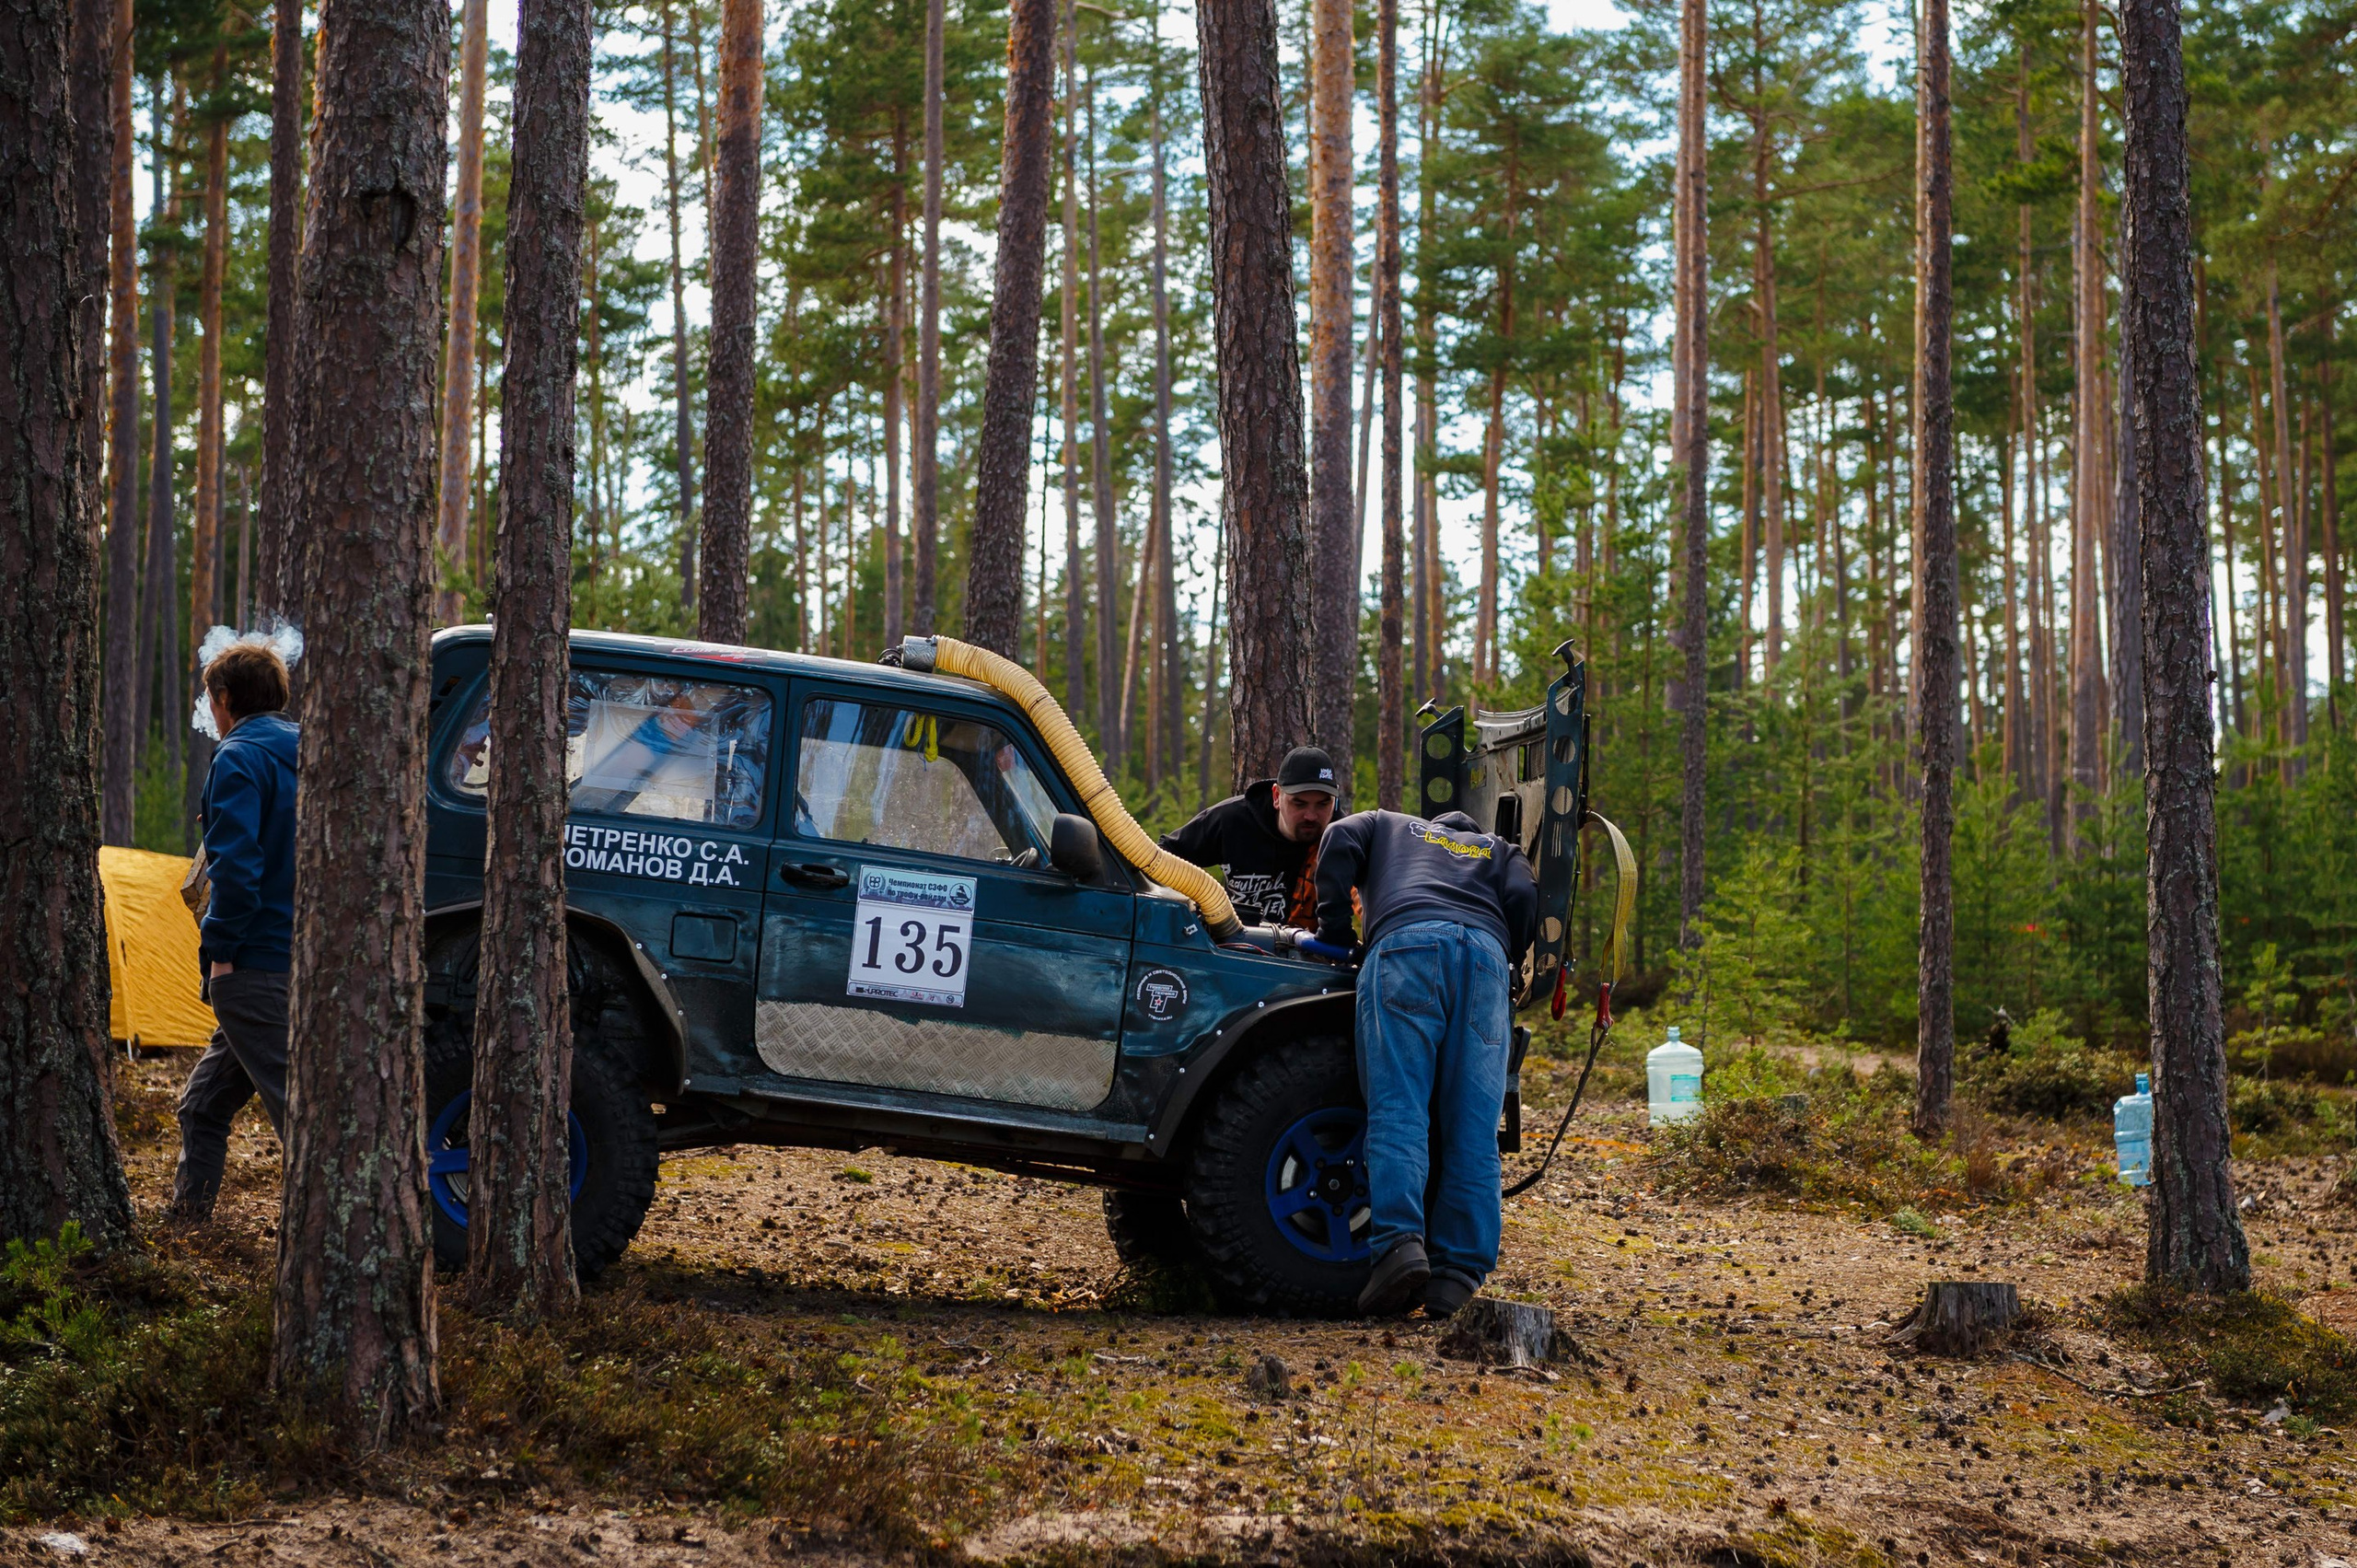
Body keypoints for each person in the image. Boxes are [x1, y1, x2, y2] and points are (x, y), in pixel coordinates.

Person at [1312, 807, 1537, 1318]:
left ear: (1432, 829)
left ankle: (1398, 1247)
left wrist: (1335, 929)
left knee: (1399, 1108)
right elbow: (1524, 896)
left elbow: (1337, 837)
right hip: (1484, 958)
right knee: (1475, 1128)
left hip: (1406, 944)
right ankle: (1457, 1274)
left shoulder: (1387, 824)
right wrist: (1511, 956)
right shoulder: (1499, 849)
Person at [167, 641, 300, 1222]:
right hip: (297, 956)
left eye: (208, 697)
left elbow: (238, 870)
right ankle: (188, 1229)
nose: (208, 709)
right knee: (203, 1106)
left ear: (225, 698)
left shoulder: (238, 757)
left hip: (254, 963)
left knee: (301, 1120)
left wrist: (221, 953)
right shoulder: (307, 748)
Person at [1158, 746, 1340, 928]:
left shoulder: (1342, 836)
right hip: (1231, 942)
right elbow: (1163, 854)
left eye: (1323, 805)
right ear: (1277, 796)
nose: (1311, 816)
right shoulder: (1232, 820)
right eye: (1299, 804)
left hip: (1305, 950)